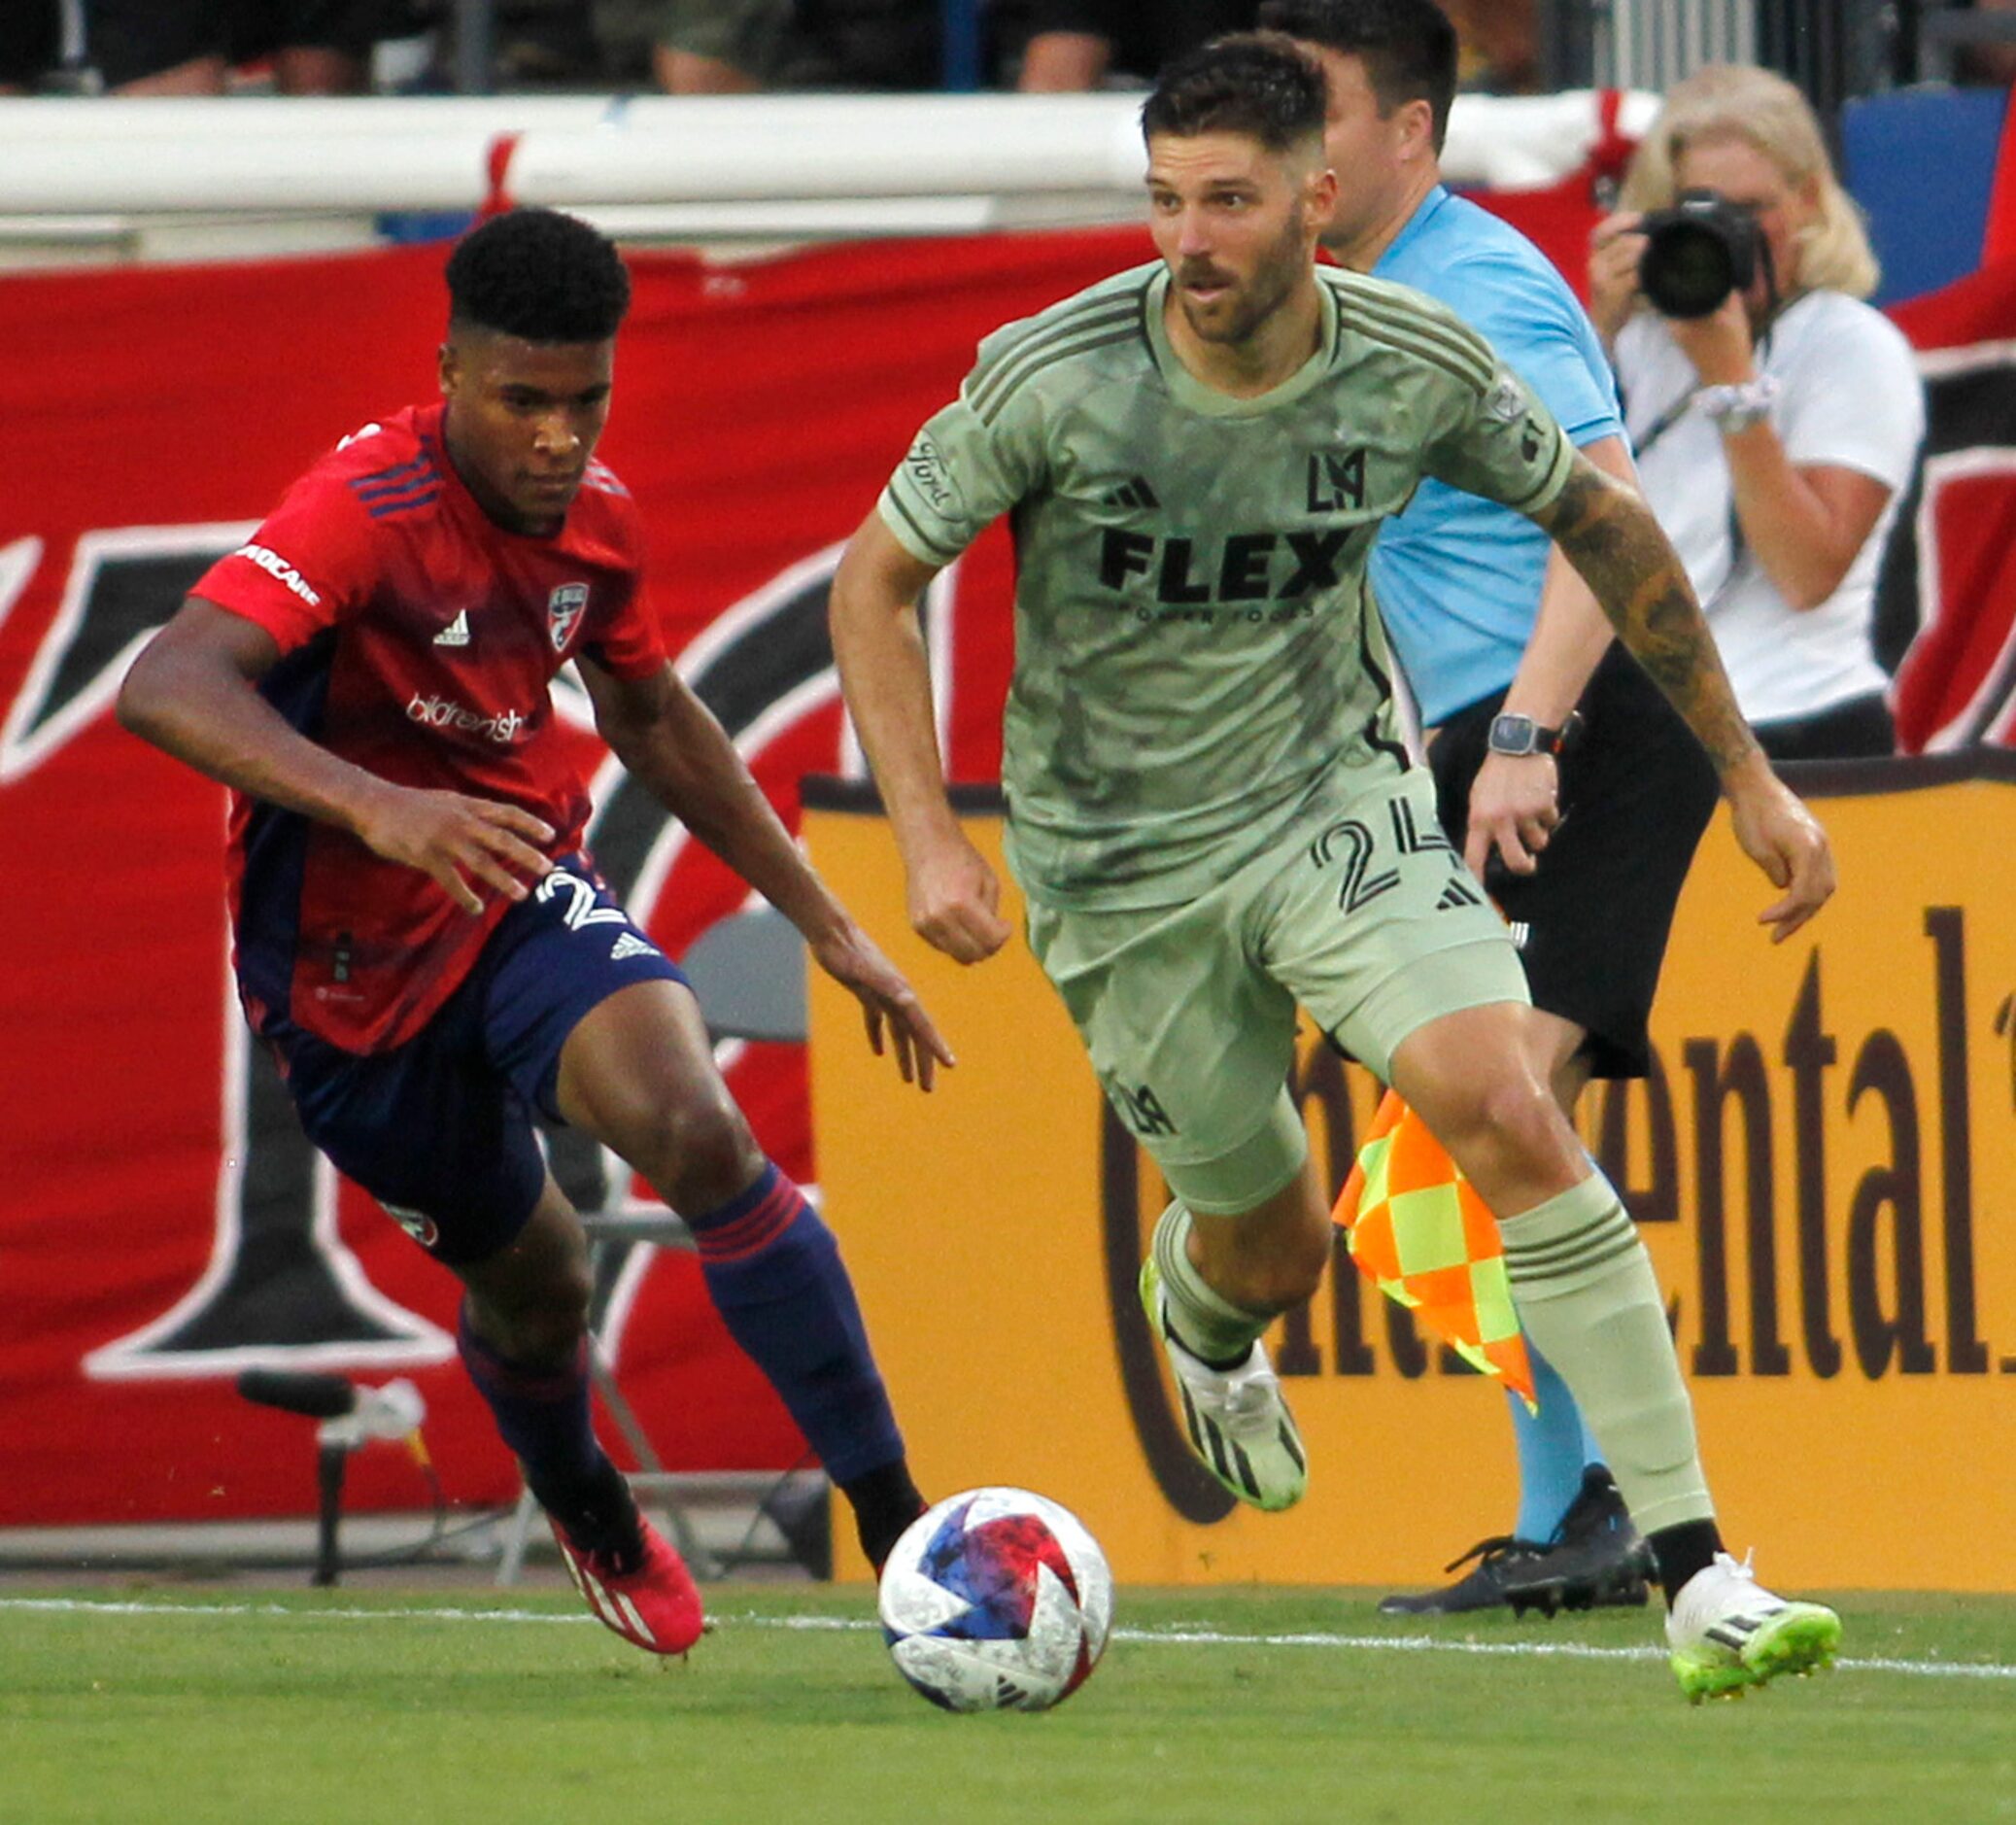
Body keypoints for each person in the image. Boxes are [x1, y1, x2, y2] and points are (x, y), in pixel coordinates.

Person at [829, 32, 1842, 1702]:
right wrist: (932, 832)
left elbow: (1606, 519)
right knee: (1271, 1241)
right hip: (1121, 860)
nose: (1188, 241)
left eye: (1226, 201)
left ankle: (1696, 1569)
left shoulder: (1416, 353)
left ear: (1315, 199)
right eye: (1164, 201)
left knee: (1505, 1103)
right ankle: (1207, 1316)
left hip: (1335, 811)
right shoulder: (1055, 372)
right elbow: (877, 580)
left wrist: (1748, 776)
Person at [118, 206, 945, 1659]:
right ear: (448, 372)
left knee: (694, 1125)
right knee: (540, 1284)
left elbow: (654, 718)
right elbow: (169, 680)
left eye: (585, 400)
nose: (557, 438)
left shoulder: (601, 520)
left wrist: (829, 925)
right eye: (522, 401)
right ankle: (581, 1490)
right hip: (347, 981)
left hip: (513, 891)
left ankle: (903, 1532)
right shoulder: (361, 511)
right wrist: (377, 805)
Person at [1255, 0, 1707, 1619]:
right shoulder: (1345, 300)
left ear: (1413, 134)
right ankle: (1584, 1512)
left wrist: (1527, 726)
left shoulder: (1481, 280)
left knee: (1490, 1120)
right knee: (1482, 1137)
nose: (1289, 148)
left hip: (1583, 728)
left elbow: (1613, 516)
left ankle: (1603, 1505)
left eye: (1319, 113)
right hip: (1480, 742)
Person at [1589, 63, 1926, 763]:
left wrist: (1731, 383)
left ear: (1806, 200)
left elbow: (1805, 573)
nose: (1725, 232)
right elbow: (1550, 523)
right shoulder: (1643, 340)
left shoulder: (1850, 344)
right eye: (1699, 207)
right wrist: (1595, 334)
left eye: (1750, 211)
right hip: (1647, 732)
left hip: (1800, 726)